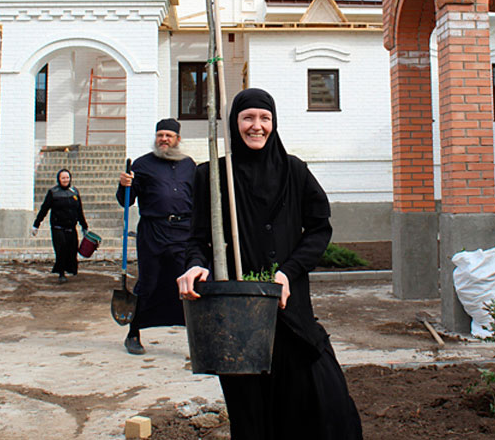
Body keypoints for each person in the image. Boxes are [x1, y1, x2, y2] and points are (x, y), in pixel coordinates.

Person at [178, 88, 363, 440]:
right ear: (235, 124)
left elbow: (320, 227)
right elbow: (196, 239)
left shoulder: (295, 171)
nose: (256, 126)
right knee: (251, 413)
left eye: (264, 118)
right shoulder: (213, 176)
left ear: (274, 123)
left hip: (289, 310)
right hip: (238, 317)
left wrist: (289, 271)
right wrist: (194, 265)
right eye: (248, 118)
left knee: (322, 400)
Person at [117, 118, 196, 355]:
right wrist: (124, 186)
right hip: (153, 233)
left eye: (168, 136)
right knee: (148, 283)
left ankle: (197, 337)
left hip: (184, 231)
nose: (164, 139)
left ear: (177, 139)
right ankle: (133, 333)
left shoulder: (188, 165)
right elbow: (126, 201)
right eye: (160, 135)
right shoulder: (141, 165)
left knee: (189, 283)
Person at [32, 168, 88, 283]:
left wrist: (84, 226)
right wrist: (36, 225)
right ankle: (61, 273)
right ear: (59, 179)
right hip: (58, 227)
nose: (65, 180)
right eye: (63, 178)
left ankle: (70, 269)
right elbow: (44, 209)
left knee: (72, 250)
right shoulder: (53, 192)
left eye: (67, 177)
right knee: (61, 249)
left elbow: (79, 210)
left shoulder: (74, 192)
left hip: (71, 227)